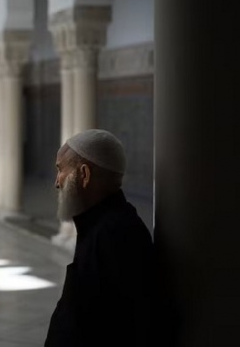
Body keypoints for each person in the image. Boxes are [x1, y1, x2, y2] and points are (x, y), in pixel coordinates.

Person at [45, 129, 157, 347]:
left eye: (60, 170)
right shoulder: (103, 225)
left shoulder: (114, 235)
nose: (57, 182)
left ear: (84, 174)